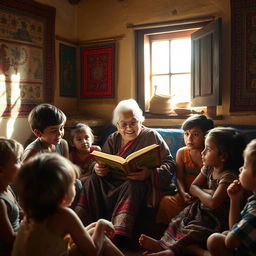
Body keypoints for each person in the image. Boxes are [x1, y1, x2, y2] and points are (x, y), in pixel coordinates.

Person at [75, 99, 176, 241]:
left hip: (139, 183)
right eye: (124, 124)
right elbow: (97, 160)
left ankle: (117, 233)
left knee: (132, 184)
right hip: (113, 181)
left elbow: (170, 163)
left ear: (140, 121)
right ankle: (81, 225)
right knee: (93, 180)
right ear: (117, 125)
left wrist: (149, 173)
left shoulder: (151, 136)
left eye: (133, 122)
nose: (129, 128)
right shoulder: (113, 138)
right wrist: (98, 168)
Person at [139, 127, 246, 256]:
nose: (203, 152)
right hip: (199, 209)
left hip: (215, 217)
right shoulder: (209, 168)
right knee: (178, 222)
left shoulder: (228, 176)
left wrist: (202, 193)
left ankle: (170, 252)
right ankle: (163, 244)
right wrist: (209, 192)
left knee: (194, 229)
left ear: (223, 156)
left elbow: (213, 203)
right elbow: (192, 187)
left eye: (208, 149)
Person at [12, 153, 124, 256]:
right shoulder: (65, 215)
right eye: (73, 184)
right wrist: (101, 224)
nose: (75, 186)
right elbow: (92, 252)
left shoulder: (32, 213)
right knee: (102, 238)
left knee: (93, 231)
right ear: (63, 196)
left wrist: (93, 227)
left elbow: (70, 237)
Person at [22, 103, 81, 209]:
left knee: (77, 184)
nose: (60, 134)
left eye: (61, 128)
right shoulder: (33, 153)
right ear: (38, 133)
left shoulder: (63, 144)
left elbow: (67, 170)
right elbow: (24, 182)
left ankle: (67, 214)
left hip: (57, 185)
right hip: (40, 192)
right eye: (54, 131)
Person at [156, 115, 214, 224]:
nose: (189, 138)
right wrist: (183, 194)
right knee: (166, 202)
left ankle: (186, 227)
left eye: (195, 134)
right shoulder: (182, 153)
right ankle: (169, 231)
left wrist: (201, 195)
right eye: (186, 134)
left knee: (202, 212)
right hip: (186, 194)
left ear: (206, 136)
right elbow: (179, 178)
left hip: (204, 196)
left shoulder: (211, 155)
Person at [207, 139, 256, 256]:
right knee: (224, 233)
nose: (240, 169)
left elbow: (230, 242)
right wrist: (234, 199)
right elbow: (234, 229)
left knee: (214, 240)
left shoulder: (255, 211)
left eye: (244, 166)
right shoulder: (253, 199)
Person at [0, 138, 23, 256]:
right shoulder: (1, 202)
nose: (22, 164)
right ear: (1, 170)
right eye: (18, 161)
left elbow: (21, 212)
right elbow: (9, 239)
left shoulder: (8, 188)